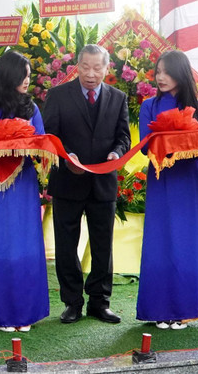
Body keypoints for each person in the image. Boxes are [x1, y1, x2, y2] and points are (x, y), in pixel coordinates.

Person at [43, 44, 130, 324]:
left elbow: (123, 137)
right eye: (85, 67)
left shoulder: (118, 98)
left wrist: (116, 153)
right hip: (68, 181)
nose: (90, 74)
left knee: (103, 246)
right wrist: (66, 155)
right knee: (66, 245)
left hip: (103, 183)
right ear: (76, 67)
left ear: (107, 68)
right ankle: (72, 302)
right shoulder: (57, 96)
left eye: (97, 68)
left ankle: (99, 302)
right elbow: (49, 135)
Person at [0, 51, 49, 332]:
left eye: (29, 75)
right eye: (23, 75)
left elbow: (40, 142)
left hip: (25, 185)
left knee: (26, 243)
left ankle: (26, 311)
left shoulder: (32, 109)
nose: (28, 81)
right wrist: (3, 147)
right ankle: (1, 313)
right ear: (8, 75)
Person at [137, 50, 198, 329]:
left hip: (187, 180)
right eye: (158, 71)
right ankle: (159, 309)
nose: (161, 77)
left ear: (181, 73)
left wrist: (181, 143)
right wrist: (170, 142)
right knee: (160, 240)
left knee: (185, 241)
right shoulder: (148, 106)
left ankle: (185, 309)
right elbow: (145, 145)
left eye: (167, 71)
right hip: (160, 177)